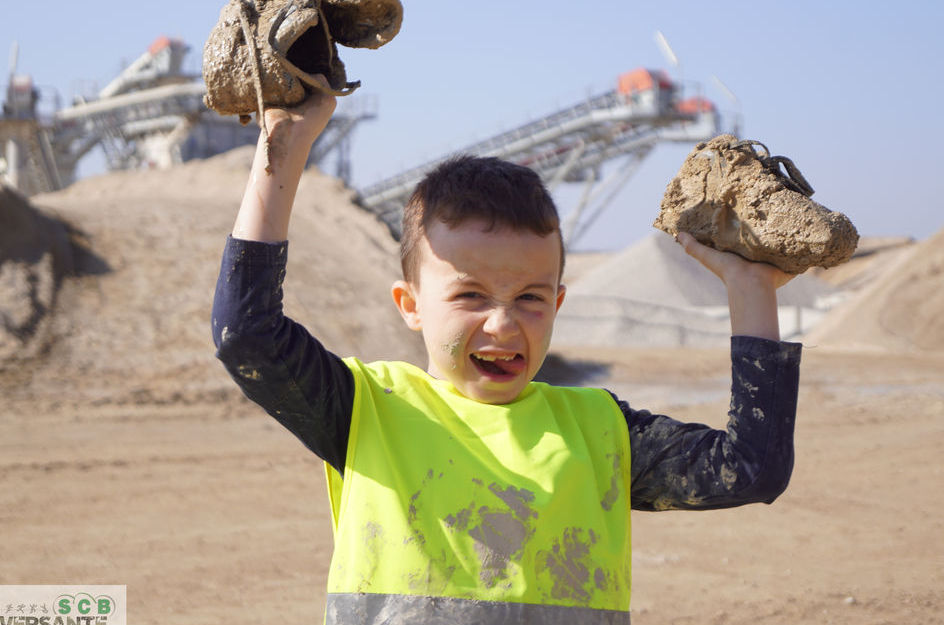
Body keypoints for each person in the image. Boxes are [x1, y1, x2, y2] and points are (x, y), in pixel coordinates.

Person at [211, 90, 801, 625]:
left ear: (559, 301)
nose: (503, 323)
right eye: (469, 295)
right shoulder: (369, 411)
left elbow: (750, 466)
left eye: (530, 298)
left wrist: (751, 289)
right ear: (410, 305)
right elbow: (247, 335)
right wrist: (282, 143)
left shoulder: (599, 433)